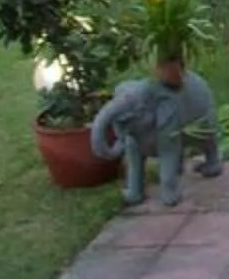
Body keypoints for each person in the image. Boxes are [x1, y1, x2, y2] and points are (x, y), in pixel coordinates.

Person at [89, 51, 221, 207]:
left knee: (179, 148)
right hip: (146, 128)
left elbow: (168, 153)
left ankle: (176, 187)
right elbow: (132, 154)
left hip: (192, 110)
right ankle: (135, 191)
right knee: (134, 153)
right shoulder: (134, 127)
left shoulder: (167, 112)